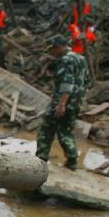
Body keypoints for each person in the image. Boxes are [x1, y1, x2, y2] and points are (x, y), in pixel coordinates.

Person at [36, 35, 92, 170]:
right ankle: (72, 161)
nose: (51, 52)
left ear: (59, 47)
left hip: (62, 102)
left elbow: (67, 84)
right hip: (76, 102)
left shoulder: (65, 60)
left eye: (52, 49)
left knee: (46, 129)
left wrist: (61, 104)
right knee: (66, 131)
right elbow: (88, 81)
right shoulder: (80, 58)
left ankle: (40, 160)